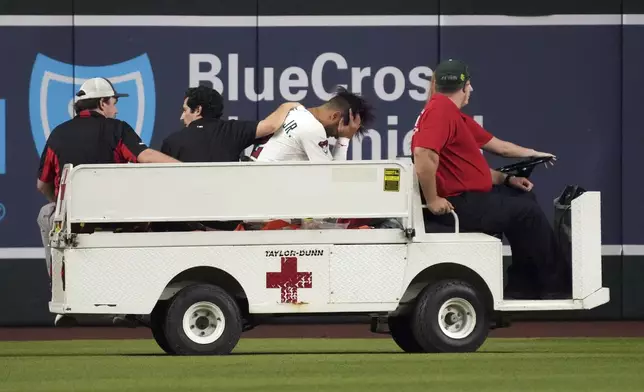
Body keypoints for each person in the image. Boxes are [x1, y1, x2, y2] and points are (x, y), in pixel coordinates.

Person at [411, 59, 570, 300]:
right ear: (463, 87)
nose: (472, 91)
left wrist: (511, 176)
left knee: (522, 197)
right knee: (527, 212)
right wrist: (433, 199)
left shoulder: (452, 115)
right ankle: (553, 286)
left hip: (467, 198)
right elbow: (423, 154)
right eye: (470, 85)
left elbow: (501, 148)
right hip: (459, 204)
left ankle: (523, 285)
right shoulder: (440, 112)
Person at [36, 77, 179, 327]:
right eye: (113, 102)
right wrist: (184, 167)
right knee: (147, 217)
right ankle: (128, 302)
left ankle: (61, 295)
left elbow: (42, 184)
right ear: (102, 103)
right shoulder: (117, 128)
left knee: (47, 214)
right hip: (113, 216)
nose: (116, 108)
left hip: (72, 219)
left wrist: (60, 206)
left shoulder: (57, 134)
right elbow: (144, 157)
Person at [160, 85, 299, 163]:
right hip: (230, 211)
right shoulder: (232, 130)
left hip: (187, 211)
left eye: (185, 110)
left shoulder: (171, 142)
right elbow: (271, 126)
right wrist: (288, 105)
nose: (181, 116)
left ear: (197, 110)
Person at [250, 86, 374, 162]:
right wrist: (344, 139)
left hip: (255, 181)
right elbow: (333, 179)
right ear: (335, 116)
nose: (335, 136)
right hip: (262, 190)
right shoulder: (312, 128)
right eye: (338, 131)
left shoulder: (294, 112)